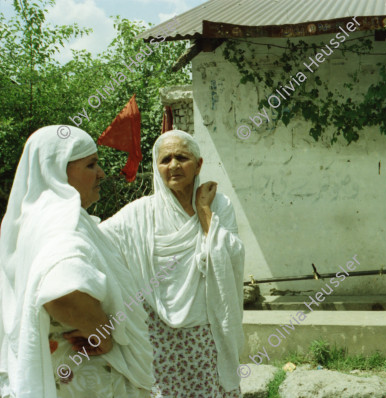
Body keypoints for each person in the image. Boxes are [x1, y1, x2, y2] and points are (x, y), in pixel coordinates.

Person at [0, 126, 154, 398]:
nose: (101, 173)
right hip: (86, 378)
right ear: (57, 172)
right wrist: (102, 335)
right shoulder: (62, 226)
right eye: (91, 165)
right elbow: (62, 293)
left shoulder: (31, 222)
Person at [100, 129, 245, 398]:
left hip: (207, 328)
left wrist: (204, 211)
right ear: (157, 167)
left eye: (182, 157)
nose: (174, 165)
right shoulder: (141, 213)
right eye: (165, 160)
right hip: (156, 331)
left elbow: (232, 255)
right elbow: (97, 242)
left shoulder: (218, 205)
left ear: (198, 164)